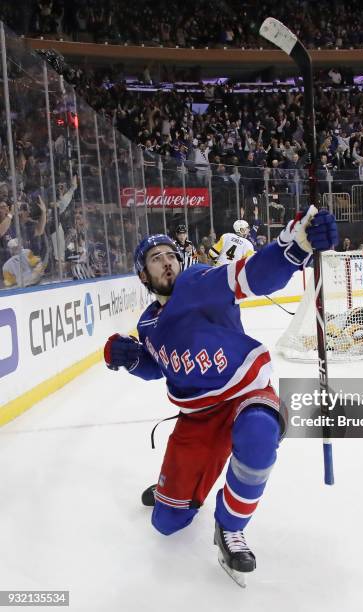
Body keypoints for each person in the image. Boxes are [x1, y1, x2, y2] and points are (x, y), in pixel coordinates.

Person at [103, 207, 338, 585]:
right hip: (197, 419)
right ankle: (178, 490)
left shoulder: (198, 281)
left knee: (259, 434)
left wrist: (295, 247)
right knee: (166, 524)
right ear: (143, 275)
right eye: (155, 258)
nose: (167, 262)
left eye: (169, 255)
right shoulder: (147, 323)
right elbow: (160, 366)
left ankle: (229, 528)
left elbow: (252, 276)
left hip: (246, 393)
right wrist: (129, 359)